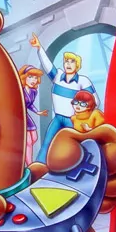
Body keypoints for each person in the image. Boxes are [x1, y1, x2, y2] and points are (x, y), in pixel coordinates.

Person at [29, 32, 99, 163]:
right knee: (47, 144)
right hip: (57, 118)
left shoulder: (83, 81)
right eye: (66, 61)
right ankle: (38, 167)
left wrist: (85, 117)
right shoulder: (58, 76)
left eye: (72, 61)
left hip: (72, 120)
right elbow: (47, 65)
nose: (68, 64)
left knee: (78, 145)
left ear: (77, 65)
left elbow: (95, 101)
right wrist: (39, 48)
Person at [18, 65, 48, 165]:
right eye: (30, 77)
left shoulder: (33, 91)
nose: (33, 80)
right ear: (24, 77)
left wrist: (37, 112)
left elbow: (30, 104)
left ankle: (24, 153)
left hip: (26, 115)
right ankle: (30, 164)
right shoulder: (20, 90)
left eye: (35, 77)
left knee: (34, 138)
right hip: (19, 117)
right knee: (28, 142)